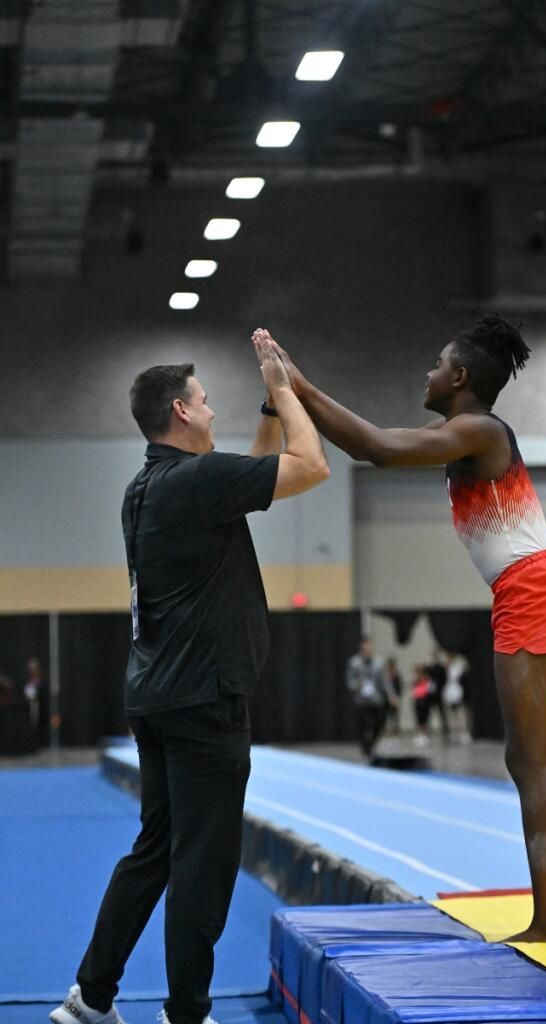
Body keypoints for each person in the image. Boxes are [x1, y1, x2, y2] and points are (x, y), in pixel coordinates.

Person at [258, 317, 546, 942]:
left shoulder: (479, 430)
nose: (427, 372)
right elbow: (378, 446)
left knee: (531, 763)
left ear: (459, 377)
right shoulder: (463, 436)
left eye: (436, 364)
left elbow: (378, 448)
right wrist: (294, 389)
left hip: (533, 586)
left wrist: (298, 384)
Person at [50, 331, 329, 1024]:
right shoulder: (199, 483)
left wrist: (270, 406)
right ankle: (187, 1014)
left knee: (154, 851)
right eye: (204, 401)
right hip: (204, 700)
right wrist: (287, 388)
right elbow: (310, 466)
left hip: (156, 697)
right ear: (180, 411)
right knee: (201, 867)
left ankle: (90, 997)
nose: (211, 410)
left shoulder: (146, 488)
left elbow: (251, 474)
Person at [346, 636, 390, 759]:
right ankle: (365, 746)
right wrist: (357, 686)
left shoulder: (379, 663)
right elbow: (350, 681)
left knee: (379, 723)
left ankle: (371, 743)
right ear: (361, 647)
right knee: (362, 725)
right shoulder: (354, 663)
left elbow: (385, 681)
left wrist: (391, 695)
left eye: (370, 647)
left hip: (376, 699)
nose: (368, 649)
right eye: (365, 647)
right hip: (361, 700)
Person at [426, 650, 450, 740]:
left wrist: (441, 688)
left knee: (442, 711)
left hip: (438, 693)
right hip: (430, 693)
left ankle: (445, 729)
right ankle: (428, 729)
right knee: (429, 712)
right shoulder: (429, 667)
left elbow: (445, 679)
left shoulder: (440, 667)